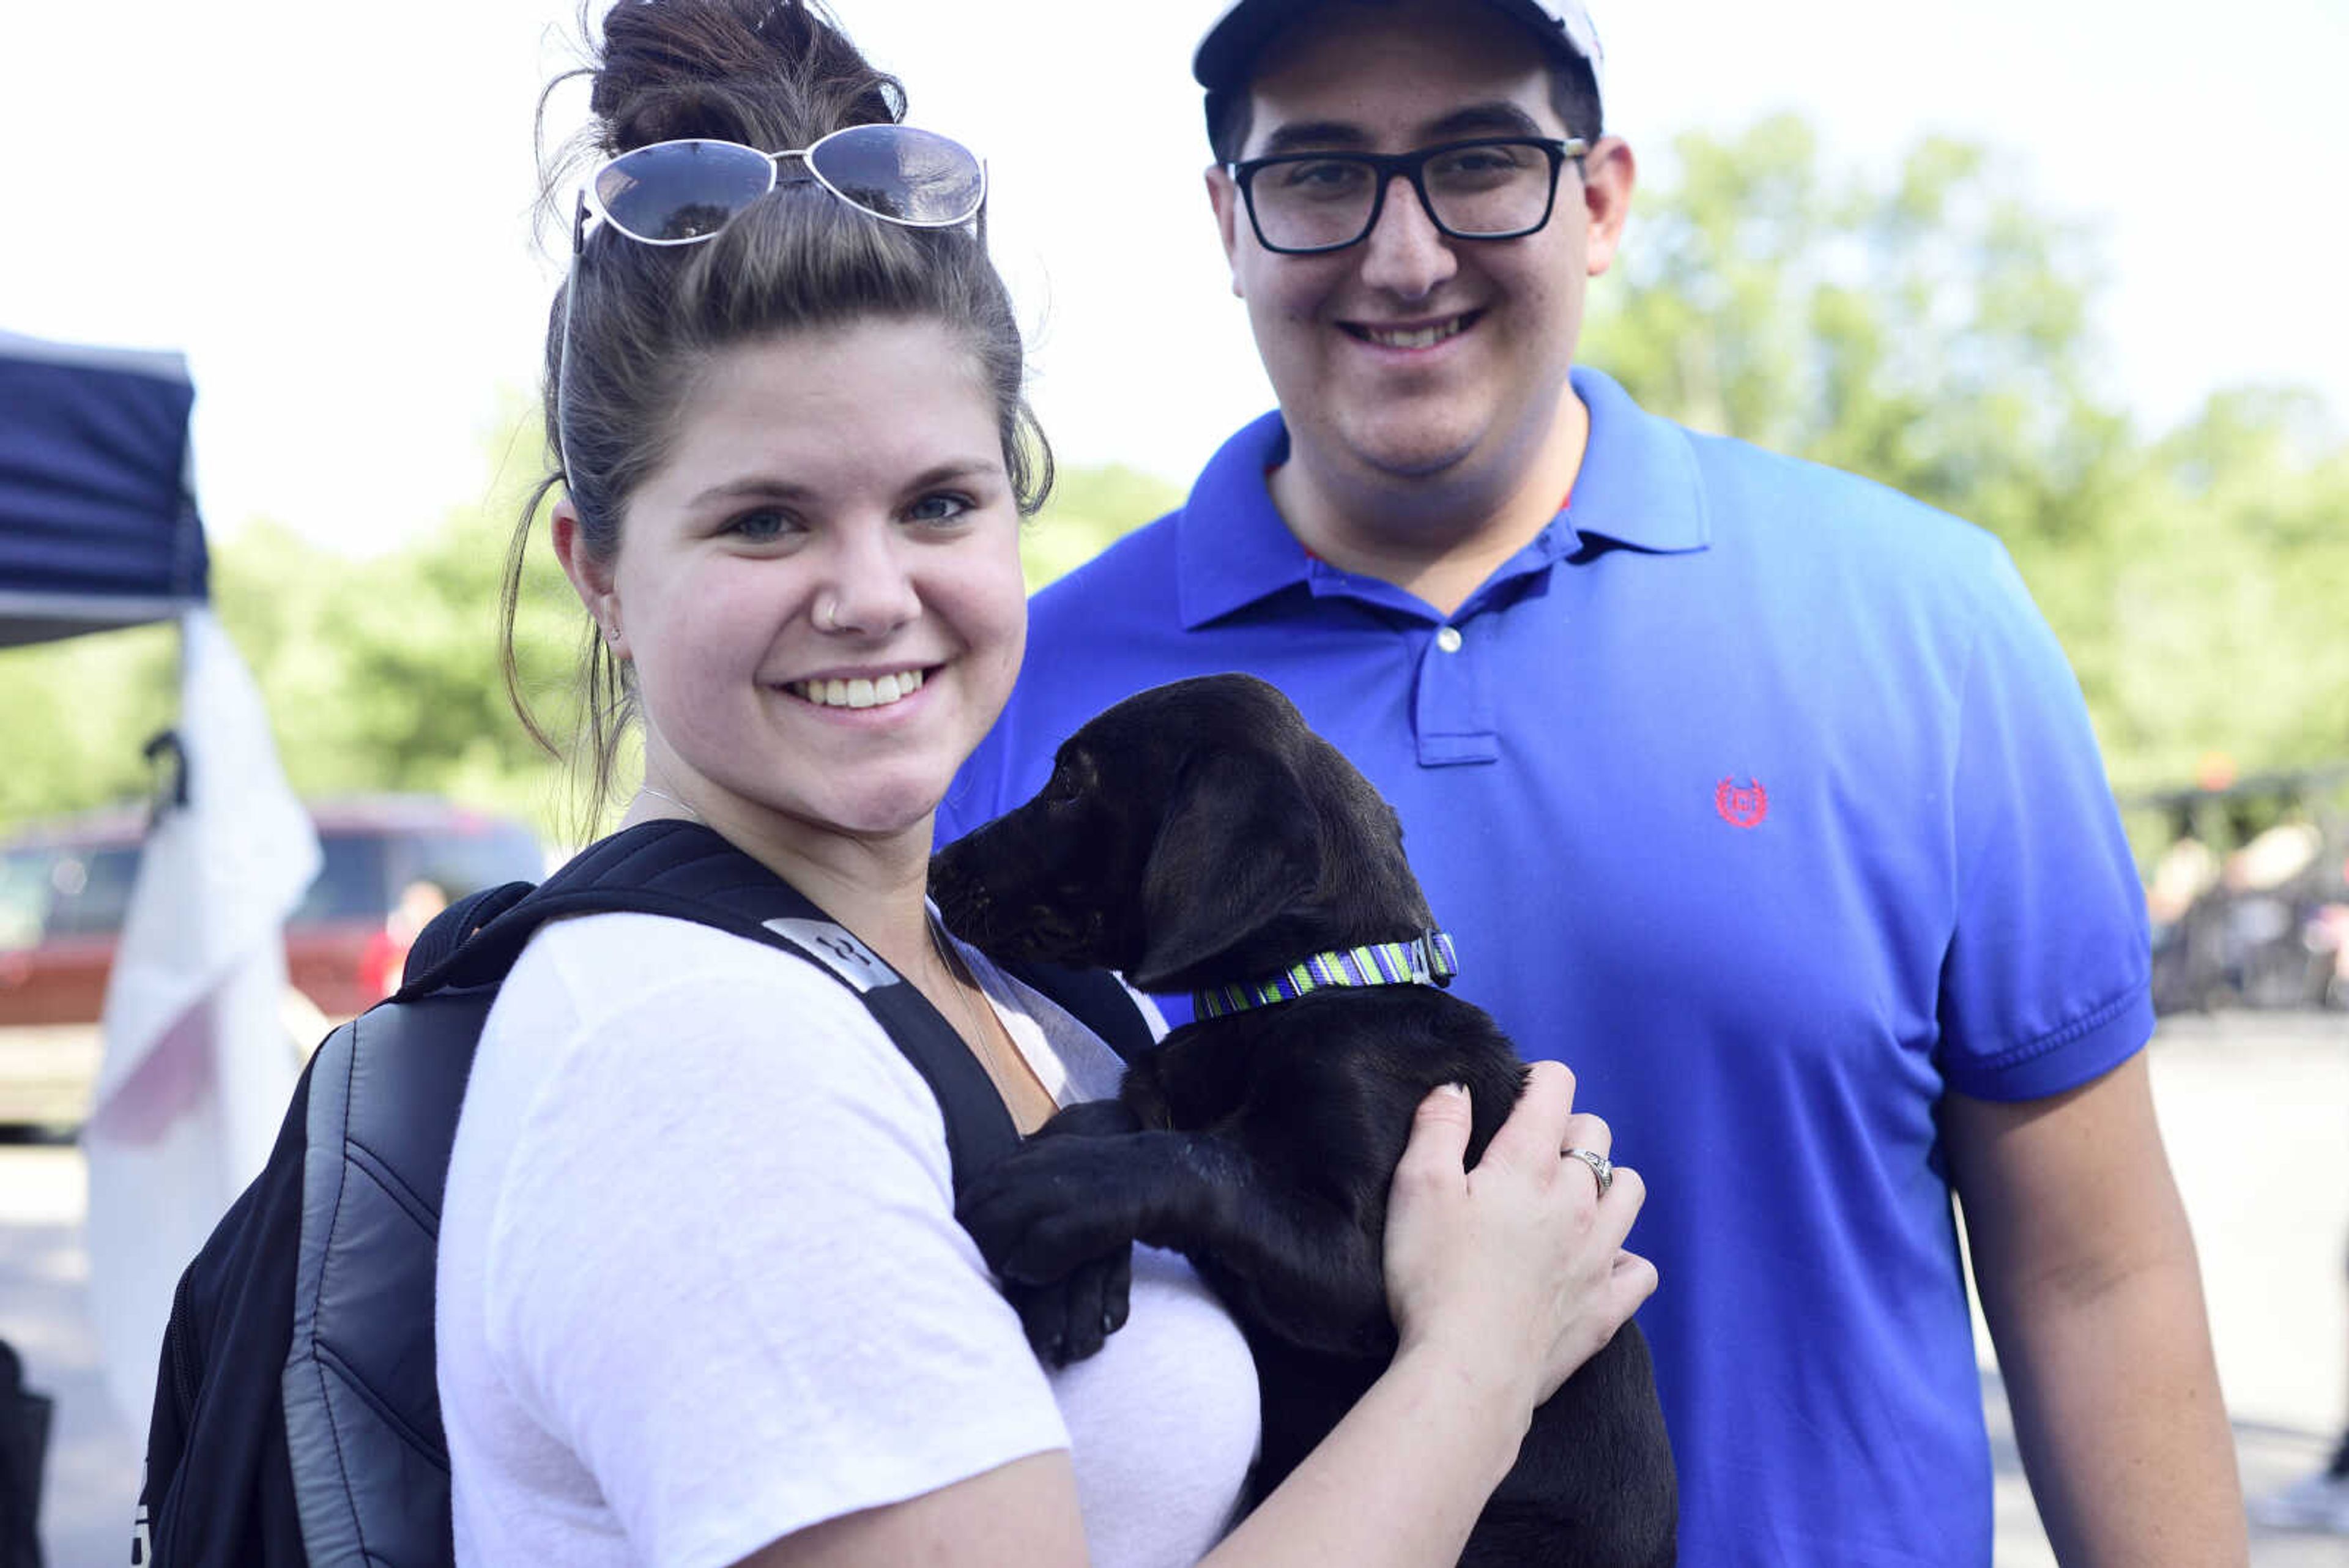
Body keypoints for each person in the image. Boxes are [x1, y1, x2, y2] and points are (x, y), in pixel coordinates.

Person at [939, 0, 2247, 1560]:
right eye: (1321, 176)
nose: (1405, 253)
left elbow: (2093, 1274)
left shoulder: (1927, 626)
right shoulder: (1013, 706)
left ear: (1602, 196)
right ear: (1229, 219)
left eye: (1482, 161)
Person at [433, 2, 1657, 1564]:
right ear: (598, 573)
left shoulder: (1018, 996)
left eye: (939, 501)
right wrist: (1483, 1362)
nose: (872, 593)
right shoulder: (696, 1058)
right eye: (763, 522)